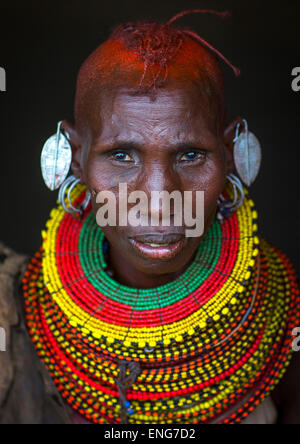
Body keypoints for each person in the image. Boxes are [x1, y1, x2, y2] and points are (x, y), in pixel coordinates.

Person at [0, 9, 299, 425]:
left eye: (191, 155)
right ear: (74, 158)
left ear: (230, 153)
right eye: (121, 155)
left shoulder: (285, 321)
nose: (159, 202)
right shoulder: (12, 320)